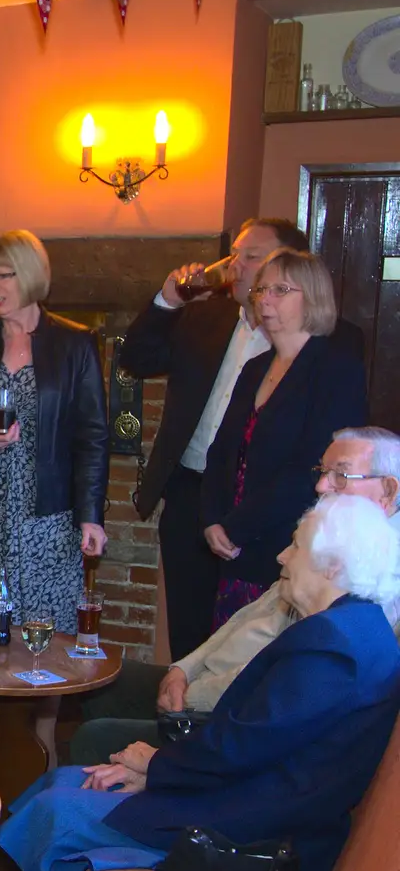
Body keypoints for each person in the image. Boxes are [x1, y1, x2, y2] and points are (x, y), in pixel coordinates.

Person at [0, 494, 400, 871]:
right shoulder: (355, 627)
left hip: (254, 827)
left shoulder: (334, 647)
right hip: (249, 794)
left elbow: (243, 748)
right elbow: (256, 742)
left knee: (65, 808)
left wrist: (155, 769)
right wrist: (154, 770)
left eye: (295, 547)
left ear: (332, 565)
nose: (282, 558)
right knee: (63, 781)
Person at [71, 426, 400, 765]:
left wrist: (192, 696)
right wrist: (182, 669)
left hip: (226, 712)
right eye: (323, 472)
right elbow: (249, 615)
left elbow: (279, 683)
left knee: (95, 737)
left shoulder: (372, 571)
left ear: (388, 491)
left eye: (340, 475)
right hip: (203, 685)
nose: (320, 485)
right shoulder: (326, 532)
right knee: (99, 678)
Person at [122, 219, 321, 660]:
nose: (236, 266)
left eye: (252, 257)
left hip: (265, 510)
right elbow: (136, 358)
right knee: (189, 633)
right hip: (193, 494)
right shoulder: (204, 316)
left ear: (288, 268)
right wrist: (168, 300)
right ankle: (183, 721)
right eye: (235, 254)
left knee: (251, 638)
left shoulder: (314, 340)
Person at [0, 230, 108, 635]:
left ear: (29, 274)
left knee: (43, 631)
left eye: (2, 276)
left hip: (47, 516)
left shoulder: (75, 344)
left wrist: (91, 516)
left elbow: (92, 436)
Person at [201, 248, 367, 630]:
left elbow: (312, 468)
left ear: (312, 297)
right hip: (233, 546)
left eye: (280, 290)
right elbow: (223, 451)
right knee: (224, 663)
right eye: (261, 290)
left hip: (288, 545)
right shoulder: (255, 368)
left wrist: (236, 526)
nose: (264, 300)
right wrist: (211, 519)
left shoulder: (336, 370)